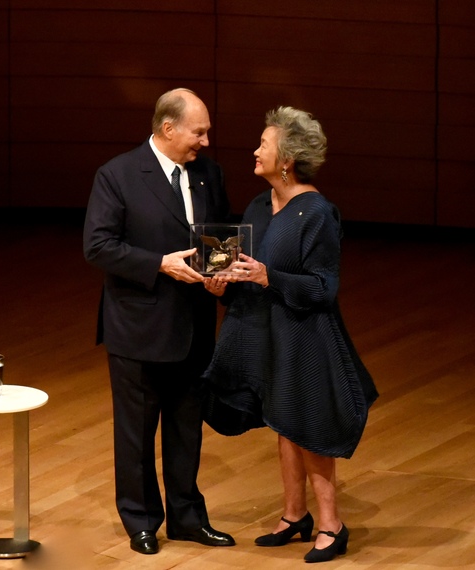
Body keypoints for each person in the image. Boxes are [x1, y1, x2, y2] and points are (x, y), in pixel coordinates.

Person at [202, 106, 379, 563]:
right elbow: (245, 267)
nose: (255, 150)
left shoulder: (317, 212)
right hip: (266, 332)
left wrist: (268, 278)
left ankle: (331, 524)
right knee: (282, 420)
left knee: (308, 426)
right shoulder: (259, 206)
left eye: (264, 143)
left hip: (305, 334)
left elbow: (323, 287)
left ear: (287, 158)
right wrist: (223, 283)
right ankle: (294, 514)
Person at [83, 88, 235, 555]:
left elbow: (219, 237)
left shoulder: (209, 174)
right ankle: (142, 520)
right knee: (136, 433)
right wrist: (159, 263)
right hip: (139, 329)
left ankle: (188, 518)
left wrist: (221, 274)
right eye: (199, 131)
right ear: (168, 129)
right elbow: (99, 245)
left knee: (186, 428)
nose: (206, 141)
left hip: (193, 325)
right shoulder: (119, 175)